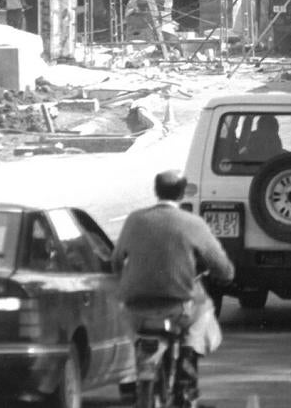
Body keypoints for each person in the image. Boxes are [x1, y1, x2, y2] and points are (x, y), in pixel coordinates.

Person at [112, 171, 234, 408]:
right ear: (181, 192)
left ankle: (129, 381)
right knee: (204, 311)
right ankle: (187, 373)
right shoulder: (193, 223)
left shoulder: (134, 219)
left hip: (136, 308)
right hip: (177, 308)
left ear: (156, 191)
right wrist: (227, 275)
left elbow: (116, 260)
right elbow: (220, 265)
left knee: (128, 339)